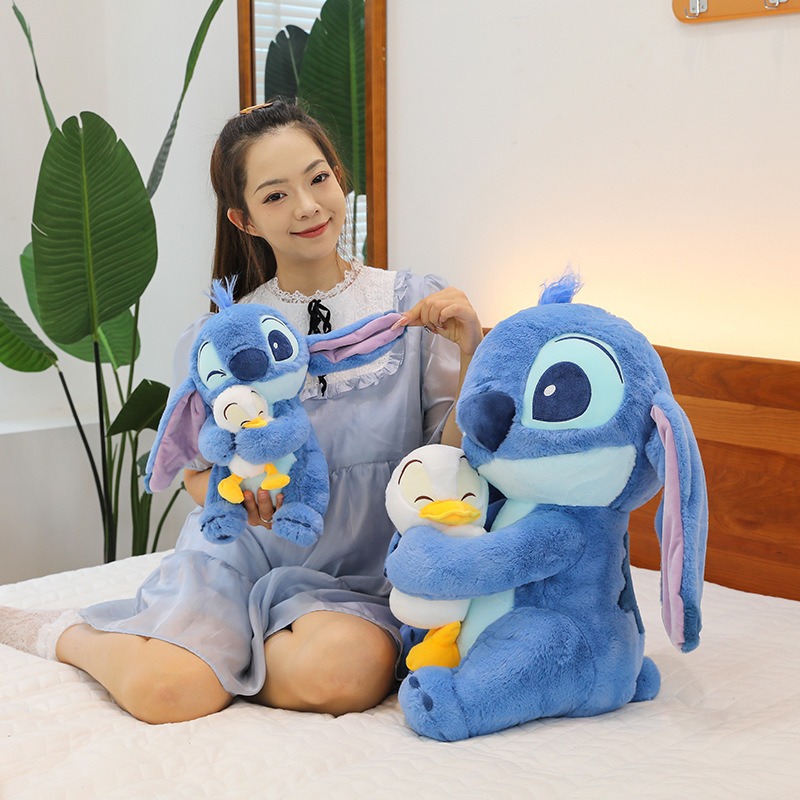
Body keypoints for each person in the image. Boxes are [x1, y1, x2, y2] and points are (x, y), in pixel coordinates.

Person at [0, 99, 483, 724]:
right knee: (167, 694)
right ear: (244, 219)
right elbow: (198, 472)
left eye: (318, 179)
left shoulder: (414, 305)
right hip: (244, 554)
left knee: (342, 674)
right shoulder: (225, 334)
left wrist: (471, 352)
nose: (307, 206)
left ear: (339, 178)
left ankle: (223, 658)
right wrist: (240, 499)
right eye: (275, 195)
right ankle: (70, 634)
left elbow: (449, 461)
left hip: (364, 571)